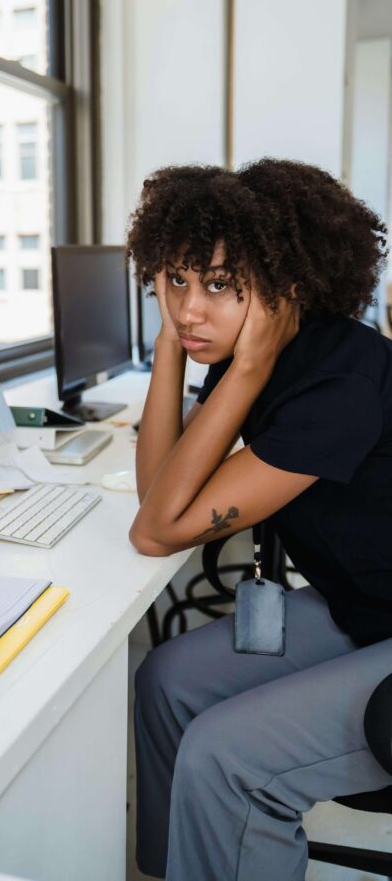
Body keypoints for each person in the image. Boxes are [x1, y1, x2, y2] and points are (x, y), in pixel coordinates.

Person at [125, 158, 392, 881]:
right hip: (363, 605)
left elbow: (155, 531)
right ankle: (172, 869)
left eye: (217, 284)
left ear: (286, 287)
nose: (188, 310)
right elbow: (161, 496)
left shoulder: (337, 383)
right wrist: (166, 357)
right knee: (167, 678)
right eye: (173, 280)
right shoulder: (260, 355)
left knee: (225, 754)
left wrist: (239, 374)